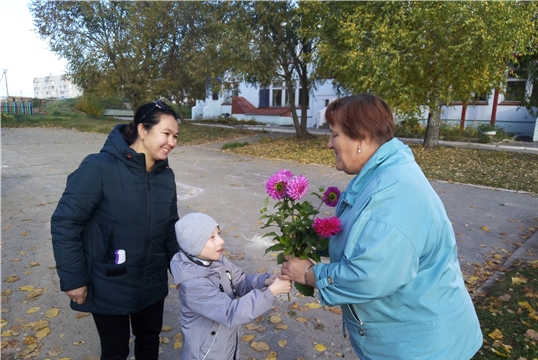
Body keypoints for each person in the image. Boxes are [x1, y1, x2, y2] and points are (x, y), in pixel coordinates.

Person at [280, 94, 482, 359]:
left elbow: (369, 276)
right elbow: (369, 242)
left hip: (420, 348)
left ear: (362, 139)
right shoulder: (381, 174)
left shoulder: (392, 195)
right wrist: (315, 239)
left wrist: (309, 274)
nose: (329, 144)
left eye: (334, 135)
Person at [51, 100, 181, 360]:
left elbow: (170, 230)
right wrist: (75, 279)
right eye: (166, 134)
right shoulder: (98, 167)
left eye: (176, 136)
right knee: (115, 350)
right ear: (143, 130)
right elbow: (65, 222)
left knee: (149, 343)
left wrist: (184, 271)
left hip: (152, 282)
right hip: (109, 279)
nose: (172, 142)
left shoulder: (165, 176)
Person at [170, 212, 292, 360]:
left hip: (225, 347)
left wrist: (265, 281)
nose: (221, 241)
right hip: (206, 354)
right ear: (194, 244)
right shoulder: (193, 285)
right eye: (212, 237)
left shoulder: (218, 260)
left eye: (219, 234)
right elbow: (230, 313)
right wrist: (271, 291)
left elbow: (240, 281)